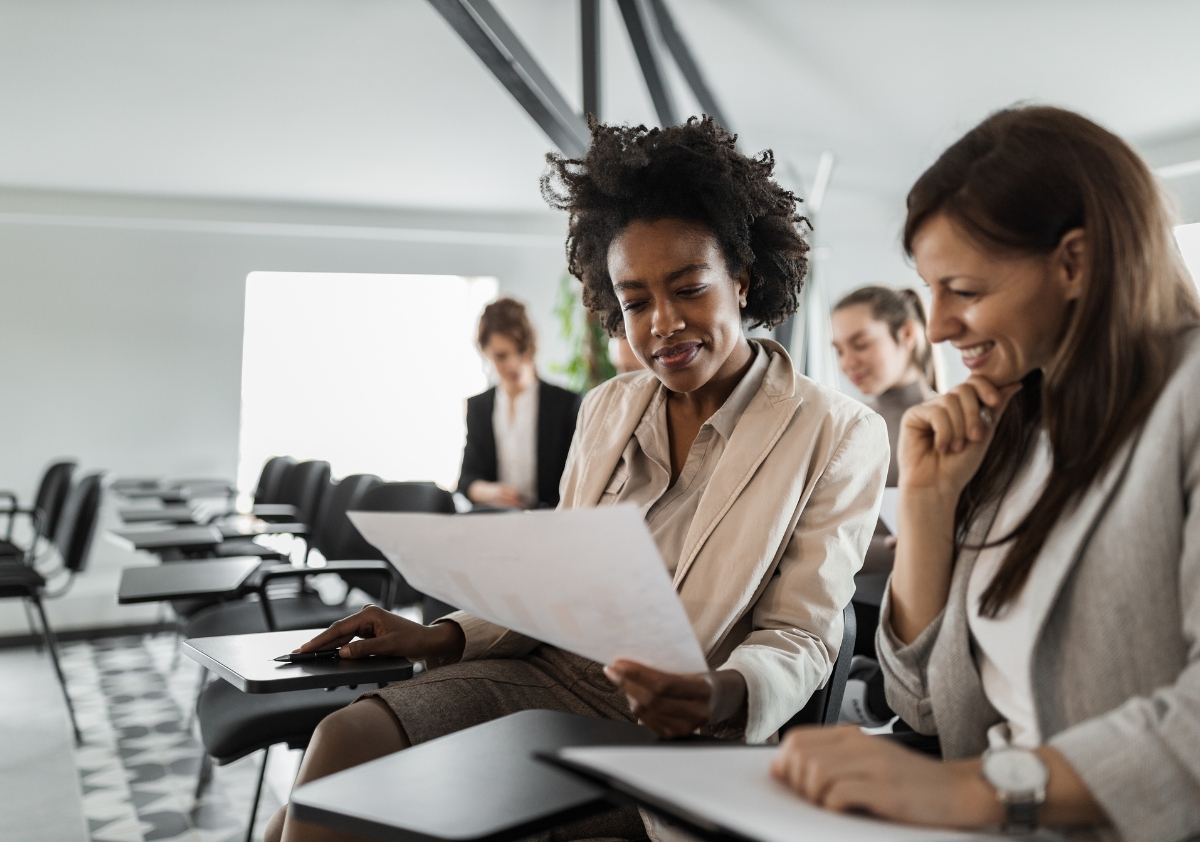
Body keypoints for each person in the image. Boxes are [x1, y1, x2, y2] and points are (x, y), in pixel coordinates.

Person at [264, 117, 889, 842]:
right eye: (635, 301)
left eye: (688, 289)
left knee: (344, 813)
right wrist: (439, 637)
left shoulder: (836, 431)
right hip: (548, 674)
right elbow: (554, 584)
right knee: (344, 743)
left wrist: (721, 692)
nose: (660, 324)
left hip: (675, 728)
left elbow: (801, 634)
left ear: (743, 282)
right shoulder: (609, 408)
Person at [771, 105, 1200, 840]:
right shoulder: (1012, 422)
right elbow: (921, 704)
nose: (935, 325)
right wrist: (932, 505)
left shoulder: (1185, 405)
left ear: (1076, 263)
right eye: (930, 288)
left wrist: (980, 793)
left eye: (963, 290)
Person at [830, 286, 937, 656]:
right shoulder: (846, 423)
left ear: (907, 334)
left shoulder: (950, 422)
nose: (848, 362)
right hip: (846, 618)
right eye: (839, 350)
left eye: (860, 344)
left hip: (918, 622)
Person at [458, 298, 582, 509]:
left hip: (551, 522)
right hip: (496, 521)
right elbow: (467, 480)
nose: (513, 364)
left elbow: (577, 479)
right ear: (485, 353)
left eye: (520, 351)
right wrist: (489, 492)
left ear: (531, 346)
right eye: (501, 356)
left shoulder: (565, 404)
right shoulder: (479, 407)